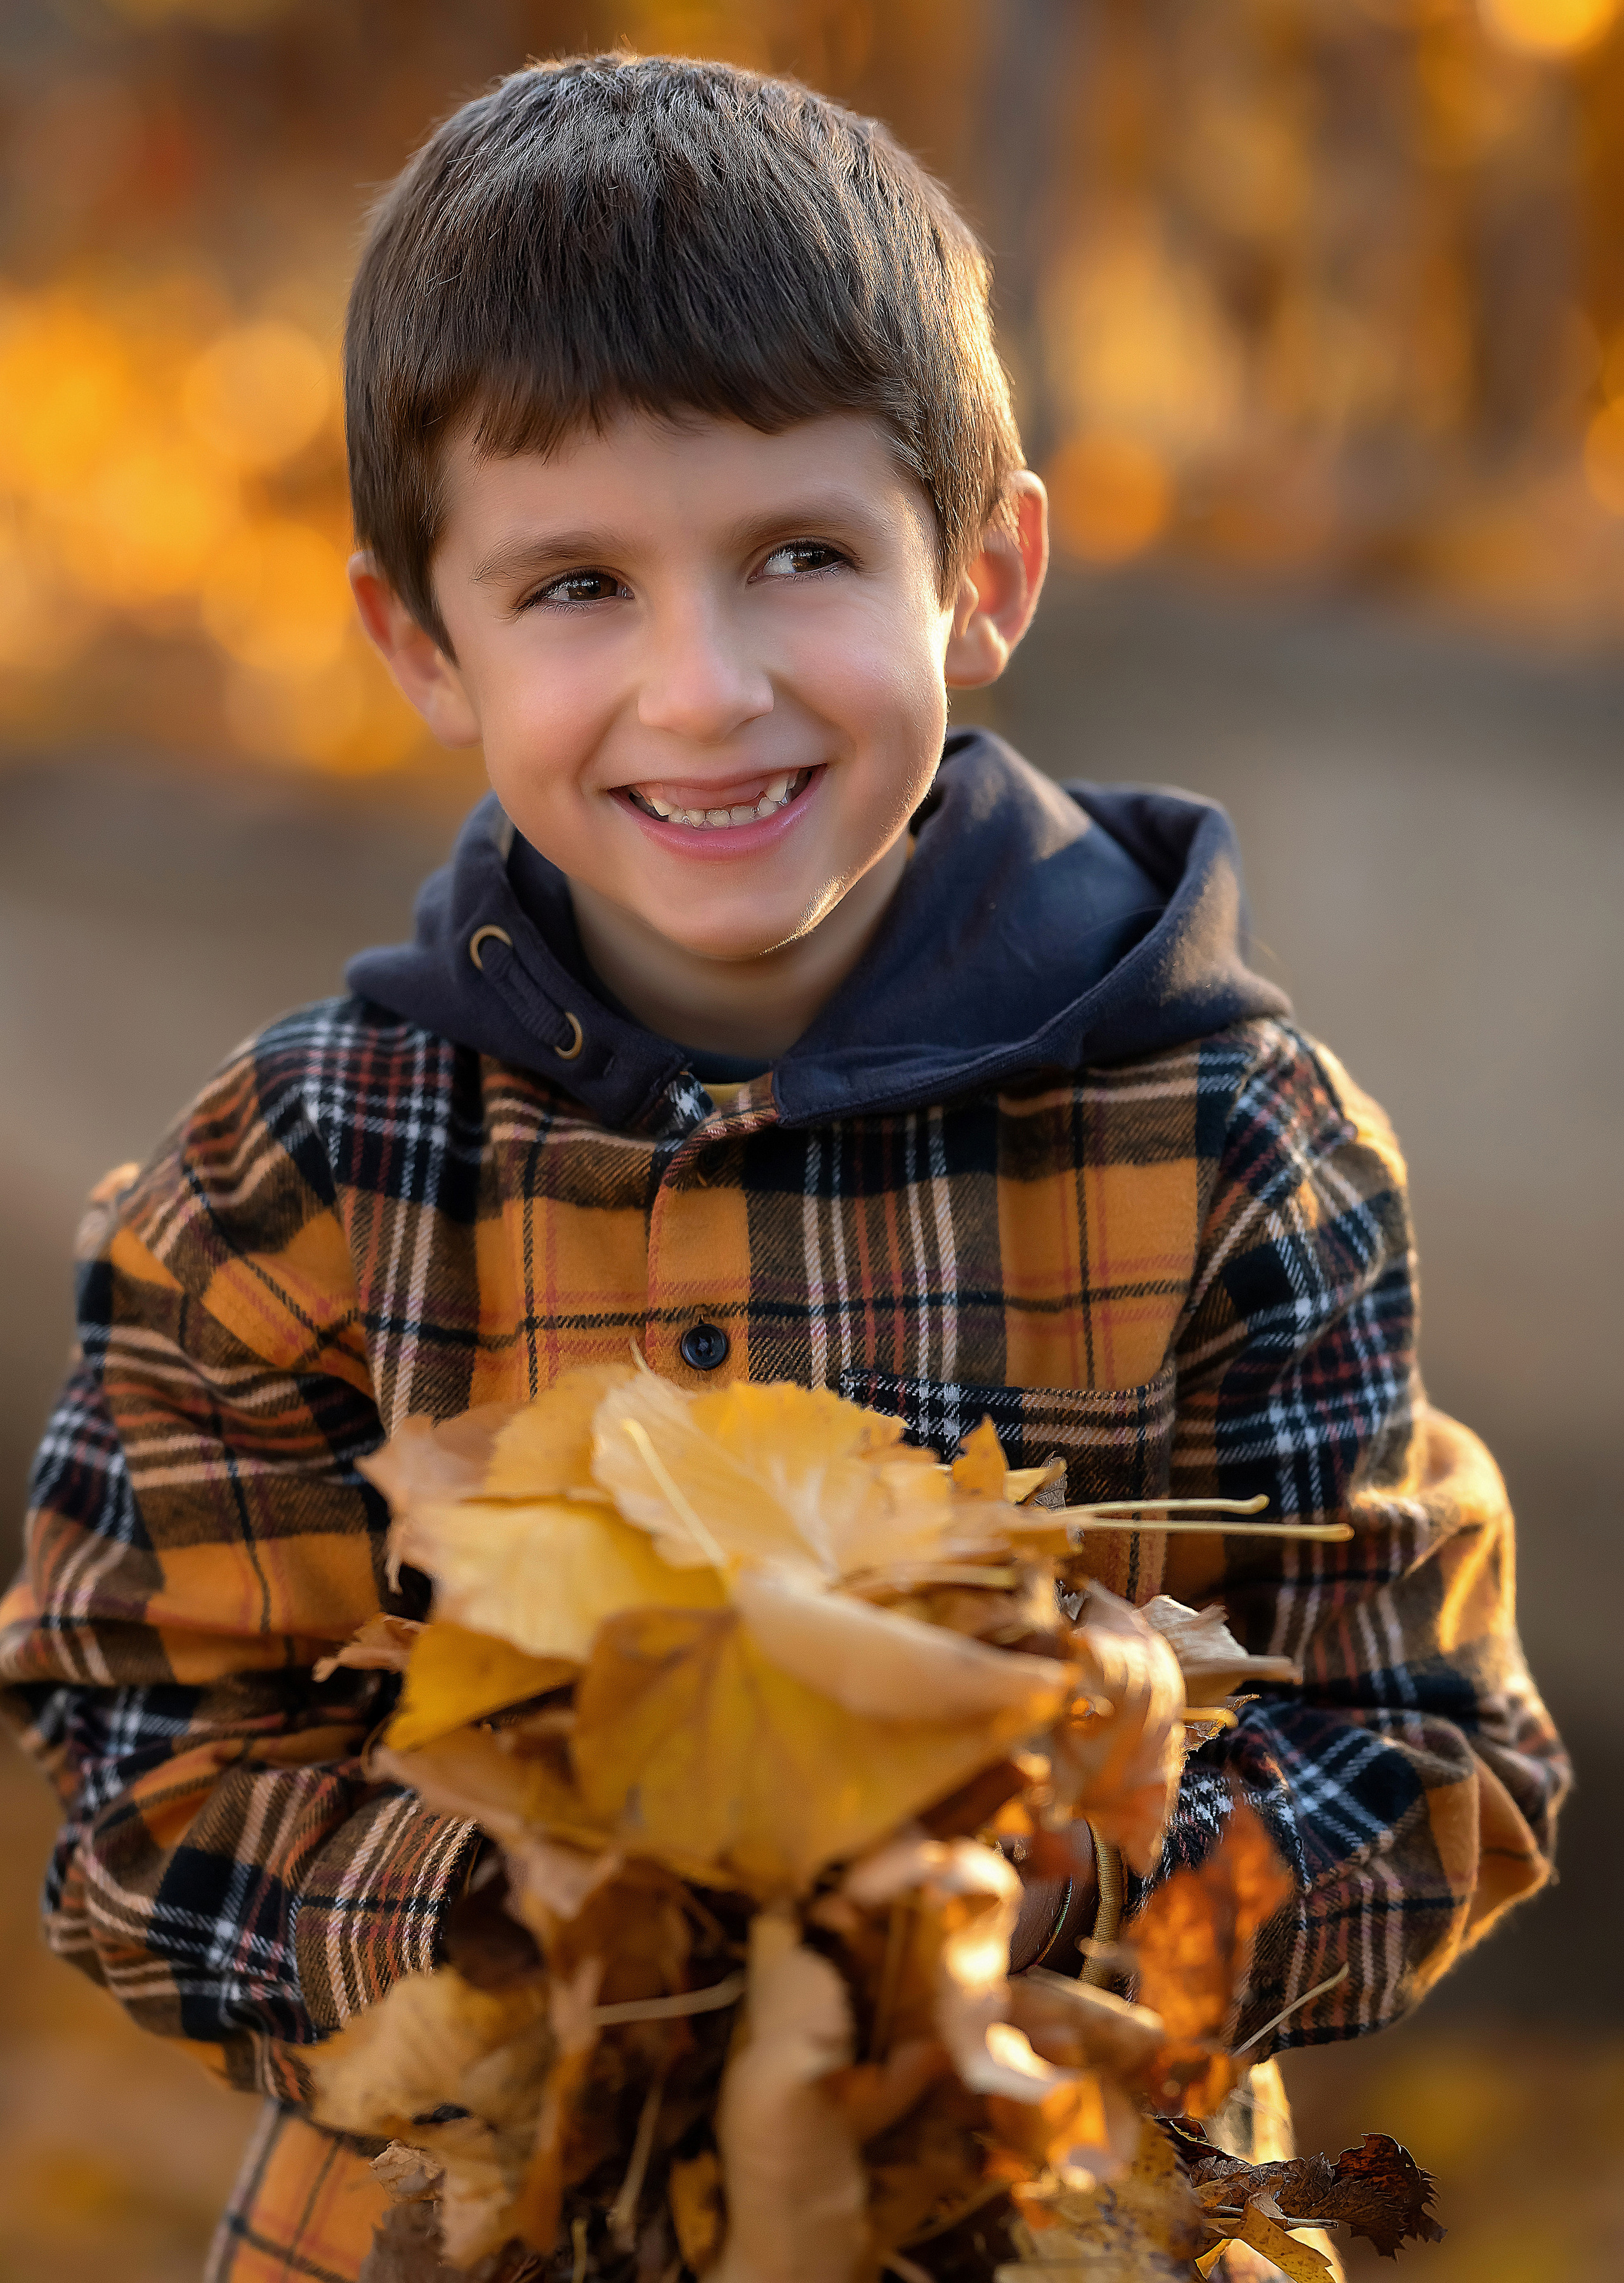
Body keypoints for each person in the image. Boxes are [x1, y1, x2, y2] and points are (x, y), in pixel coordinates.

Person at [0, 53, 1566, 2283]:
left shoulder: (1229, 1146)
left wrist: (991, 1892)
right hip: (479, 2229)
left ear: (986, 572)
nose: (703, 686)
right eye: (574, 590)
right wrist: (547, 1925)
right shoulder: (295, 1191)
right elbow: (139, 1756)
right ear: (415, 644)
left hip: (1039, 2212)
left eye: (801, 557)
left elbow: (1417, 1745)